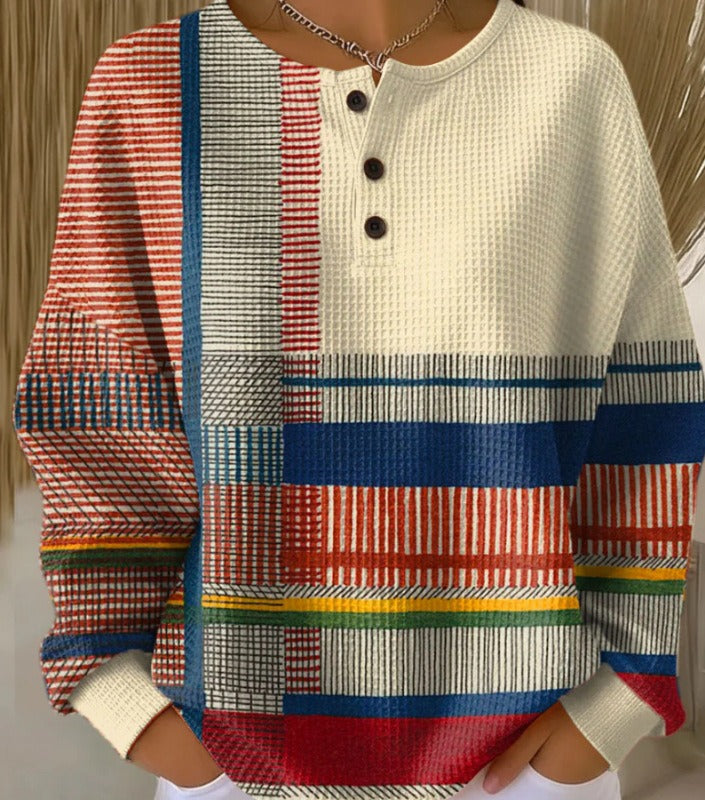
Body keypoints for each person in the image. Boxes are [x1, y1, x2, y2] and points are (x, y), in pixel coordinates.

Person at [13, 1, 705, 799]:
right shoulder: (152, 81)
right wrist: (119, 693)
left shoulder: (569, 79)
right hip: (231, 745)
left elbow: (644, 399)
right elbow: (96, 405)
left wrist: (617, 698)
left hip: (523, 756)